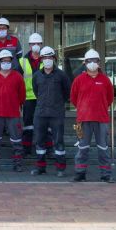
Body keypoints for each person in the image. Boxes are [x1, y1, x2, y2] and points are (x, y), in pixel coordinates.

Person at [70, 48, 115, 183]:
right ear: (85, 63)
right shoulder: (79, 80)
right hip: (83, 120)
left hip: (101, 119)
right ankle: (80, 174)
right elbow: (73, 98)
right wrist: (84, 109)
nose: (92, 63)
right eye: (89, 61)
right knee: (82, 148)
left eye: (95, 60)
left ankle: (106, 175)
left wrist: (98, 107)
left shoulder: (105, 80)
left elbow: (110, 98)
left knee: (103, 148)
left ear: (99, 63)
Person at [31, 45, 72, 176]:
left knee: (58, 141)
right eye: (45, 58)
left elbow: (67, 93)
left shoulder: (61, 75)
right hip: (40, 113)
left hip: (56, 114)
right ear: (41, 59)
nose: (47, 60)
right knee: (39, 141)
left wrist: (57, 104)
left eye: (49, 57)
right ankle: (40, 167)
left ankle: (60, 168)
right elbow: (36, 92)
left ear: (53, 58)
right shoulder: (37, 76)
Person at [0, 48, 27, 172]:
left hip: (13, 113)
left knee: (16, 140)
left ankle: (18, 164)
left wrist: (15, 105)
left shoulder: (18, 77)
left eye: (8, 61)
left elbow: (22, 96)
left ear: (12, 61)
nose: (6, 63)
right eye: (3, 61)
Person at [18, 32, 44, 159]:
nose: (36, 46)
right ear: (29, 45)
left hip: (43, 98)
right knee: (28, 125)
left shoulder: (47, 60)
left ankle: (46, 148)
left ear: (41, 44)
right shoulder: (22, 61)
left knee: (45, 125)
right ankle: (27, 148)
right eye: (33, 43)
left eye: (38, 43)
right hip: (28, 98)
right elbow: (17, 81)